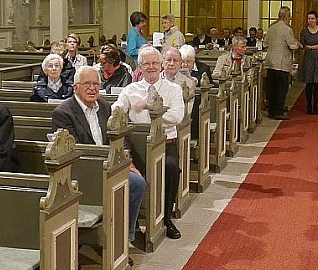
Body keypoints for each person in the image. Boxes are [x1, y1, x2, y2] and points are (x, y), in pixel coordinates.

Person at [51, 66, 146, 244]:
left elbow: (120, 136)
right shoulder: (63, 113)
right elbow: (71, 151)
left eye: (96, 84)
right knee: (132, 184)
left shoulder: (104, 107)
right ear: (75, 87)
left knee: (138, 182)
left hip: (113, 164)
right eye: (87, 84)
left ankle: (125, 237)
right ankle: (119, 239)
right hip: (85, 171)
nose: (92, 88)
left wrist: (126, 161)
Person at [113, 46, 184, 240]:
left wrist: (148, 106)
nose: (151, 67)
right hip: (137, 146)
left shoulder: (173, 89)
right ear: (139, 67)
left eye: (154, 63)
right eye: (146, 64)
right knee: (132, 174)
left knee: (171, 168)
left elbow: (177, 116)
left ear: (161, 65)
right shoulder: (131, 90)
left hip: (165, 143)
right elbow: (117, 111)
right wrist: (118, 112)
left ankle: (166, 218)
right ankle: (133, 222)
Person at [266, 6, 301, 120]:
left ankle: (271, 110)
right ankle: (278, 111)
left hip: (270, 62)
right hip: (281, 63)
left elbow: (266, 43)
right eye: (289, 16)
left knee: (271, 88)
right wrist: (298, 44)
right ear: (286, 16)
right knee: (282, 88)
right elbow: (292, 45)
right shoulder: (287, 29)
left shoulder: (271, 27)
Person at [299, 10, 318, 115]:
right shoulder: (304, 31)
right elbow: (302, 45)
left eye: (312, 18)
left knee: (317, 83)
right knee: (309, 83)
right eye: (308, 19)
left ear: (316, 19)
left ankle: (315, 105)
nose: (310, 21)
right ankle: (308, 105)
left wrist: (310, 47)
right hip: (308, 58)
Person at [181, 44, 212, 139]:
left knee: (195, 105)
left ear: (194, 59)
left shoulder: (203, 68)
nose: (185, 64)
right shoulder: (176, 68)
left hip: (198, 99)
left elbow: (210, 85)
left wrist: (197, 81)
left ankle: (193, 136)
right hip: (181, 98)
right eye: (182, 61)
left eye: (188, 61)